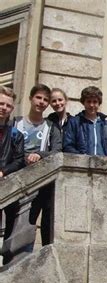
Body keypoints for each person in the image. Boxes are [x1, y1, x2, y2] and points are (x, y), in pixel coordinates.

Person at [14, 84, 62, 252]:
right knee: (13, 223)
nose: (41, 102)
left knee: (32, 220)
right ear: (31, 98)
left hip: (40, 183)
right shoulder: (16, 123)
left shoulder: (51, 127)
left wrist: (40, 155)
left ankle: (28, 257)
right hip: (16, 179)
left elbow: (57, 152)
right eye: (38, 98)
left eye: (45, 100)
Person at [0, 86, 25, 265]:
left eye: (8, 105)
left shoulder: (16, 134)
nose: (4, 108)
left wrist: (3, 171)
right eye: (1, 103)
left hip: (7, 183)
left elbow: (18, 160)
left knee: (10, 225)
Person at [63, 86, 107, 157]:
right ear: (83, 103)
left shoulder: (106, 125)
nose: (92, 105)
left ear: (99, 103)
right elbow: (68, 146)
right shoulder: (75, 122)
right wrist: (82, 157)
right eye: (88, 101)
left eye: (95, 102)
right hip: (83, 165)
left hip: (103, 165)